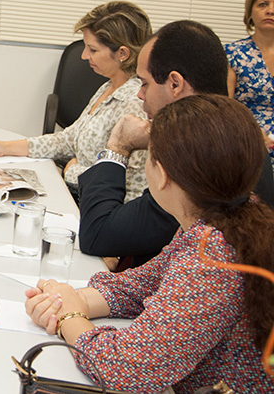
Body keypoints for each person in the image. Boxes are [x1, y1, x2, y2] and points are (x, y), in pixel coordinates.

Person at [25, 95, 274, 392]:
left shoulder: (213, 258)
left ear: (162, 175)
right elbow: (139, 287)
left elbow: (126, 369)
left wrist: (69, 317)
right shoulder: (220, 222)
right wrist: (63, 300)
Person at [78, 20, 274, 269]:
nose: (139, 94)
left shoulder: (198, 149)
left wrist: (118, 147)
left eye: (145, 83)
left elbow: (98, 235)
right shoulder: (235, 128)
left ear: (175, 84)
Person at [0, 1, 151, 200]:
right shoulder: (108, 87)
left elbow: (124, 182)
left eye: (93, 50)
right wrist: (5, 147)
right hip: (81, 195)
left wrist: (71, 171)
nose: (84, 56)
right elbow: (68, 139)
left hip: (100, 206)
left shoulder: (136, 103)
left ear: (122, 53)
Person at [226, 0, 274, 167]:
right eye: (263, 4)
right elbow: (224, 105)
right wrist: (253, 131)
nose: (270, 11)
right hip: (245, 143)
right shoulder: (232, 53)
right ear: (250, 12)